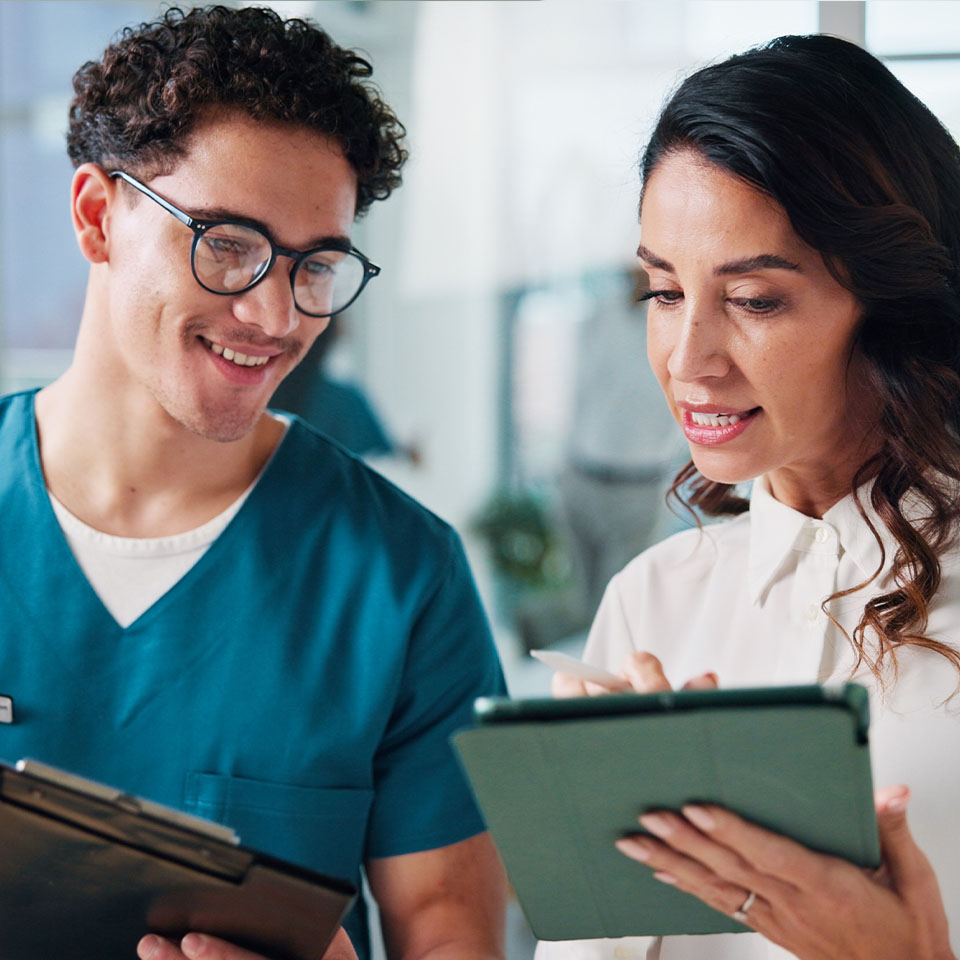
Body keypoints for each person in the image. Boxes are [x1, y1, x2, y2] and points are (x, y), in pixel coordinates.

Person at [0, 6, 507, 960]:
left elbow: (452, 938)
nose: (275, 314)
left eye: (317, 265)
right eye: (227, 243)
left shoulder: (399, 576)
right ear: (97, 216)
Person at [537, 34, 960, 960]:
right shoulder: (650, 602)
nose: (688, 361)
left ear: (891, 307)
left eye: (755, 300)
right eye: (661, 290)